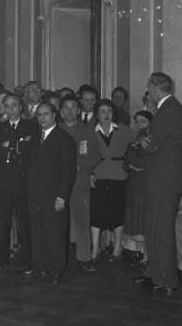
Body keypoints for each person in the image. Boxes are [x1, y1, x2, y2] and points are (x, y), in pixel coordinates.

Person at [133, 72, 182, 296]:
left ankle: (166, 279)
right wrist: (144, 141)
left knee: (161, 230)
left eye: (149, 88)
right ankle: (154, 274)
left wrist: (142, 142)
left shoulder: (169, 111)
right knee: (154, 228)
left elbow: (152, 145)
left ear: (155, 88)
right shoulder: (168, 109)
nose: (148, 93)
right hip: (161, 181)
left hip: (164, 182)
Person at [28, 103, 76, 285]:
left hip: (54, 195)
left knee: (55, 234)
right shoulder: (34, 137)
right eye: (39, 115)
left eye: (45, 114)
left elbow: (68, 171)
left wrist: (62, 196)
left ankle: (56, 270)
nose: (42, 118)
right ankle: (41, 267)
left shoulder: (64, 139)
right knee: (37, 232)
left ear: (55, 115)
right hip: (35, 194)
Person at [0, 94, 37, 270]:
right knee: (3, 222)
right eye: (7, 106)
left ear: (20, 107)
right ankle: (2, 259)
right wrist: (18, 145)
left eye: (14, 105)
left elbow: (30, 149)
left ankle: (28, 260)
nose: (11, 109)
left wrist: (9, 147)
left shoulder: (31, 127)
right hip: (3, 181)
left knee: (24, 223)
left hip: (22, 181)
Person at [90, 99, 135, 263]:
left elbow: (136, 145)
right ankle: (95, 249)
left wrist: (130, 164)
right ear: (96, 114)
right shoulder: (90, 131)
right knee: (96, 212)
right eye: (102, 111)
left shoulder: (124, 130)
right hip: (98, 175)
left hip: (119, 175)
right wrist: (90, 172)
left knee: (118, 212)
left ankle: (117, 248)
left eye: (109, 111)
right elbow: (85, 155)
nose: (106, 114)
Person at [60, 94, 101, 273]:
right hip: (59, 182)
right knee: (58, 219)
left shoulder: (87, 131)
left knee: (82, 219)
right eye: (66, 108)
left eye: (73, 108)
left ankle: (84, 256)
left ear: (78, 110)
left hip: (79, 180)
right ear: (61, 111)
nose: (69, 111)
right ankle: (58, 255)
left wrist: (81, 166)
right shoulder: (56, 129)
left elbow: (94, 155)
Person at [123, 110, 152, 264]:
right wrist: (131, 162)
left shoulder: (149, 140)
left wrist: (133, 152)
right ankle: (140, 252)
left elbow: (141, 163)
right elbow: (125, 164)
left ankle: (147, 255)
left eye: (143, 121)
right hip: (134, 184)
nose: (140, 124)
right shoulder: (136, 140)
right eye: (137, 121)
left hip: (144, 184)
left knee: (143, 219)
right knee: (135, 218)